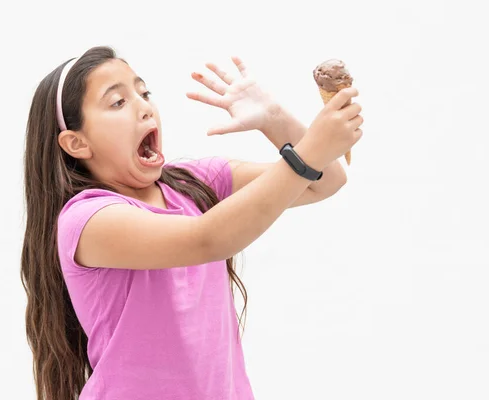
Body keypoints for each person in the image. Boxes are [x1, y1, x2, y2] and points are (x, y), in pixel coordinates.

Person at [20, 45, 363, 400]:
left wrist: (273, 118)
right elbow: (207, 239)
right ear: (76, 143)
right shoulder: (88, 219)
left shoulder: (197, 183)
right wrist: (309, 151)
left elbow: (325, 180)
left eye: (143, 92)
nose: (143, 106)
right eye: (118, 102)